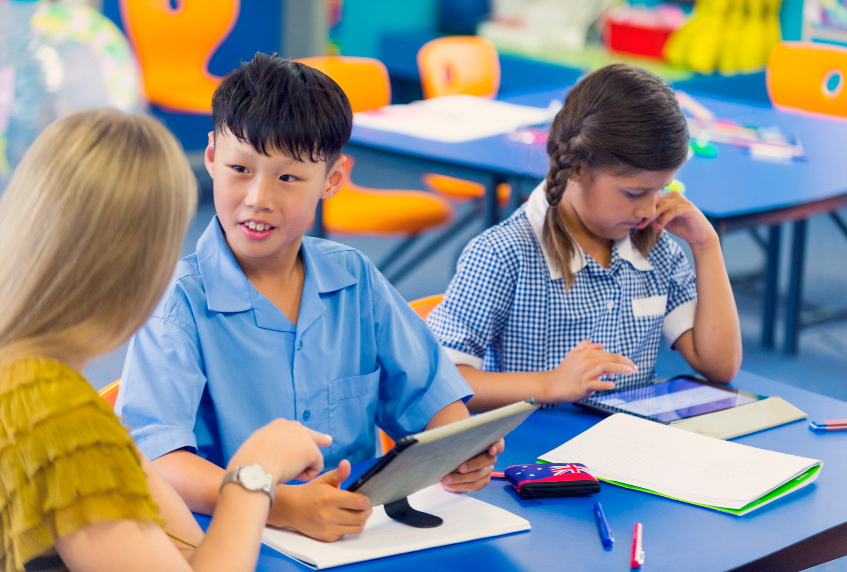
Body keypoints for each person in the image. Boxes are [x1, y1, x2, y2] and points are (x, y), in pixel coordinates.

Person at [115, 53, 501, 542]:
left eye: (288, 177)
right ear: (211, 156)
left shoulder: (355, 278)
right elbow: (157, 463)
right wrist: (281, 504)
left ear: (333, 179)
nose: (259, 197)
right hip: (229, 540)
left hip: (358, 535)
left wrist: (457, 449)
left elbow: (433, 397)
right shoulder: (176, 304)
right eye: (240, 168)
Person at [0, 108, 332, 572]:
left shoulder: (36, 385)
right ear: (144, 267)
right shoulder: (59, 416)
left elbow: (189, 550)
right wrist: (254, 473)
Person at [427, 63, 742, 413]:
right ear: (577, 168)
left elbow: (719, 366)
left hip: (624, 449)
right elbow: (440, 381)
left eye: (661, 189)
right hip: (534, 454)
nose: (649, 209)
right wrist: (548, 384)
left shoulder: (656, 248)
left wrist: (706, 246)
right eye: (634, 193)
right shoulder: (503, 254)